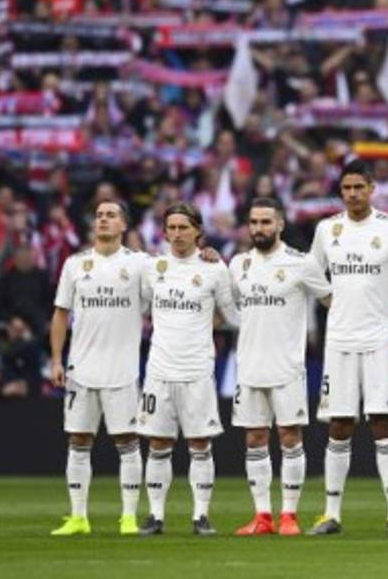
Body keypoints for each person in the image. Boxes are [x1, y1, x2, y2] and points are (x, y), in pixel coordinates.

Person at [307, 159, 388, 536]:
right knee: (339, 425)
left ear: (372, 189)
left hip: (377, 340)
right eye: (347, 188)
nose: (353, 194)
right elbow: (310, 272)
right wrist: (329, 300)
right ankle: (331, 514)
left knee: (381, 422)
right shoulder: (327, 229)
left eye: (359, 187)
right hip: (339, 341)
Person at [229, 197, 332, 536]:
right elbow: (224, 305)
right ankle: (262, 516)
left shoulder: (301, 263)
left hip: (287, 366)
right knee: (255, 438)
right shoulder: (238, 265)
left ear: (280, 224)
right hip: (249, 365)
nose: (259, 228)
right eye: (254, 222)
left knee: (290, 437)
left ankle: (289, 515)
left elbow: (331, 300)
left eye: (265, 222)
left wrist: (375, 316)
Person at [48, 199, 149, 536]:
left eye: (111, 215)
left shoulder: (140, 264)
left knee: (127, 441)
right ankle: (78, 517)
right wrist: (56, 359)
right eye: (100, 215)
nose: (103, 220)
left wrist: (205, 255)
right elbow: (61, 313)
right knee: (78, 440)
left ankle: (129, 517)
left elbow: (174, 273)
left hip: (122, 370)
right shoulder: (75, 264)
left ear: (124, 225)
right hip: (81, 368)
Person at [137, 202, 238, 536]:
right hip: (159, 370)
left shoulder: (215, 269)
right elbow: (139, 308)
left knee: (200, 444)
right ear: (165, 232)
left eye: (183, 227)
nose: (177, 234)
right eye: (172, 228)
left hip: (197, 370)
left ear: (198, 231)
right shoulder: (153, 267)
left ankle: (201, 516)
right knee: (158, 444)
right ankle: (155, 516)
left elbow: (233, 314)